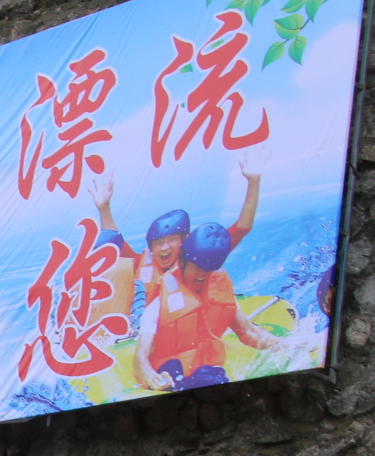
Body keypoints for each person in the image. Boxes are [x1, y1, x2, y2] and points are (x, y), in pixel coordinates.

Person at [91, 156, 261, 315]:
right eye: (158, 243)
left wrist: (253, 182)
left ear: (185, 241)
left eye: (171, 240)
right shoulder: (141, 263)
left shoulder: (202, 257)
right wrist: (104, 208)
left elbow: (241, 228)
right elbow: (114, 244)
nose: (164, 248)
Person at [136, 222, 277, 392]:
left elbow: (248, 333)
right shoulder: (160, 302)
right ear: (182, 261)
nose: (203, 274)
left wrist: (288, 345)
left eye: (208, 270)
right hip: (170, 371)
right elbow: (140, 357)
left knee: (211, 376)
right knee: (184, 374)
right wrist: (152, 378)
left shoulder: (220, 293)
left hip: (207, 370)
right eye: (198, 268)